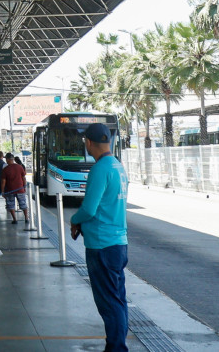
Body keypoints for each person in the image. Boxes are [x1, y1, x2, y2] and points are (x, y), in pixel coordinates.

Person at [70, 123, 129, 352]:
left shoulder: (100, 168)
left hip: (102, 246)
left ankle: (116, 348)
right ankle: (117, 345)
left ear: (88, 142)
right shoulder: (117, 166)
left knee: (108, 302)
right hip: (118, 243)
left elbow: (89, 209)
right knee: (118, 299)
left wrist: (75, 220)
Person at [0, 153, 29, 224]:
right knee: (23, 204)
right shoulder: (19, 167)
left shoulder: (5, 169)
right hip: (20, 189)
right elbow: (23, 178)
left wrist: (2, 191)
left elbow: (3, 181)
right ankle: (26, 218)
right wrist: (24, 187)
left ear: (8, 159)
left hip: (10, 190)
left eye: (6, 159)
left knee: (11, 205)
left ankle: (15, 219)